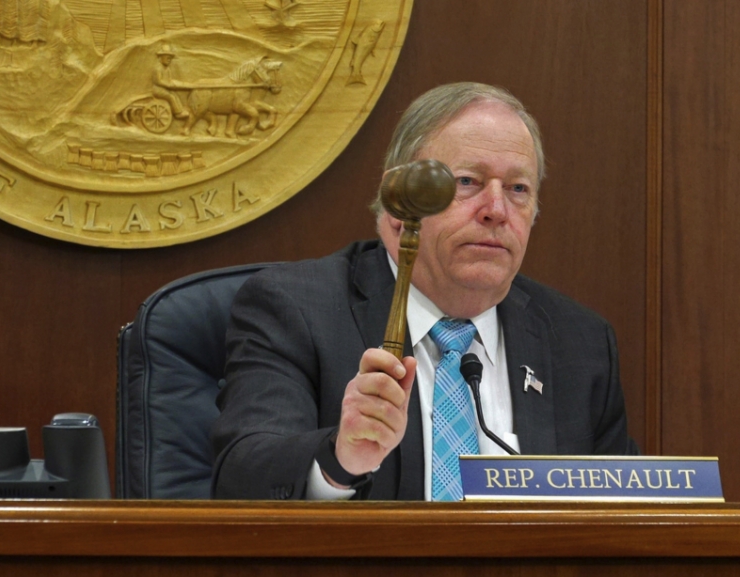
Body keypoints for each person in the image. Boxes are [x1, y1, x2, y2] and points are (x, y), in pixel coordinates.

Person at [211, 82, 638, 501]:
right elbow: (240, 477)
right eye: (468, 181)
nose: (497, 210)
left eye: (518, 189)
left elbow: (623, 519)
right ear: (400, 204)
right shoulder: (297, 309)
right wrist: (340, 460)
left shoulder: (579, 343)